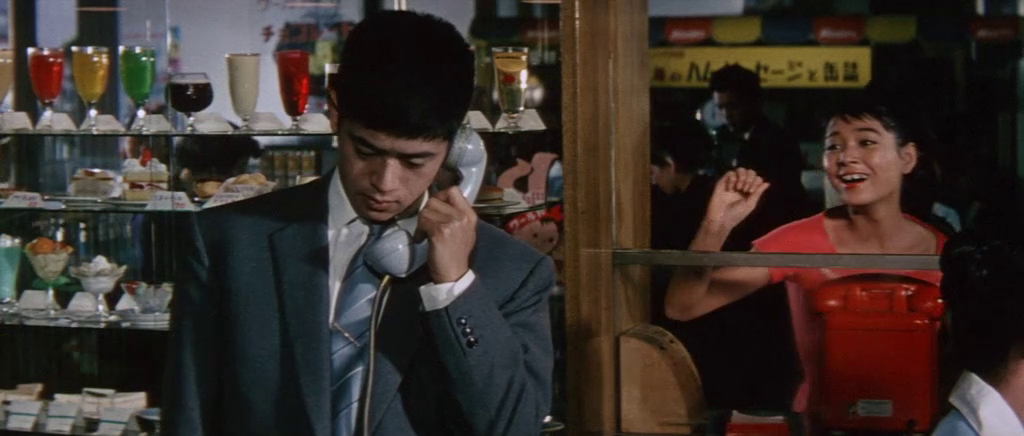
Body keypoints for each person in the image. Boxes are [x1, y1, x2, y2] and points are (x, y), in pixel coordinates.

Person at [163, 11, 555, 436]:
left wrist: (455, 287)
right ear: (334, 112)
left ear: (459, 147)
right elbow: (188, 418)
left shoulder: (511, 272)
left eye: (414, 161)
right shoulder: (228, 243)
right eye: (366, 151)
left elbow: (514, 427)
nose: (385, 183)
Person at [664, 95, 949, 434]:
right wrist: (717, 225)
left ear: (907, 158)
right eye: (833, 146)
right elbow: (682, 307)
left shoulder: (943, 249)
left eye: (866, 142)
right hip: (821, 426)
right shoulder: (797, 240)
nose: (846, 157)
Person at [650, 119, 800, 432]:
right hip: (755, 336)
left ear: (669, 164)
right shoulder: (718, 194)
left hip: (722, 334)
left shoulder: (694, 206)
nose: (652, 182)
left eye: (653, 172)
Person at [708, 64, 809, 241]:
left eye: (732, 106)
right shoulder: (729, 140)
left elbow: (779, 201)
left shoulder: (775, 141)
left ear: (753, 102)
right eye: (721, 108)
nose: (726, 115)